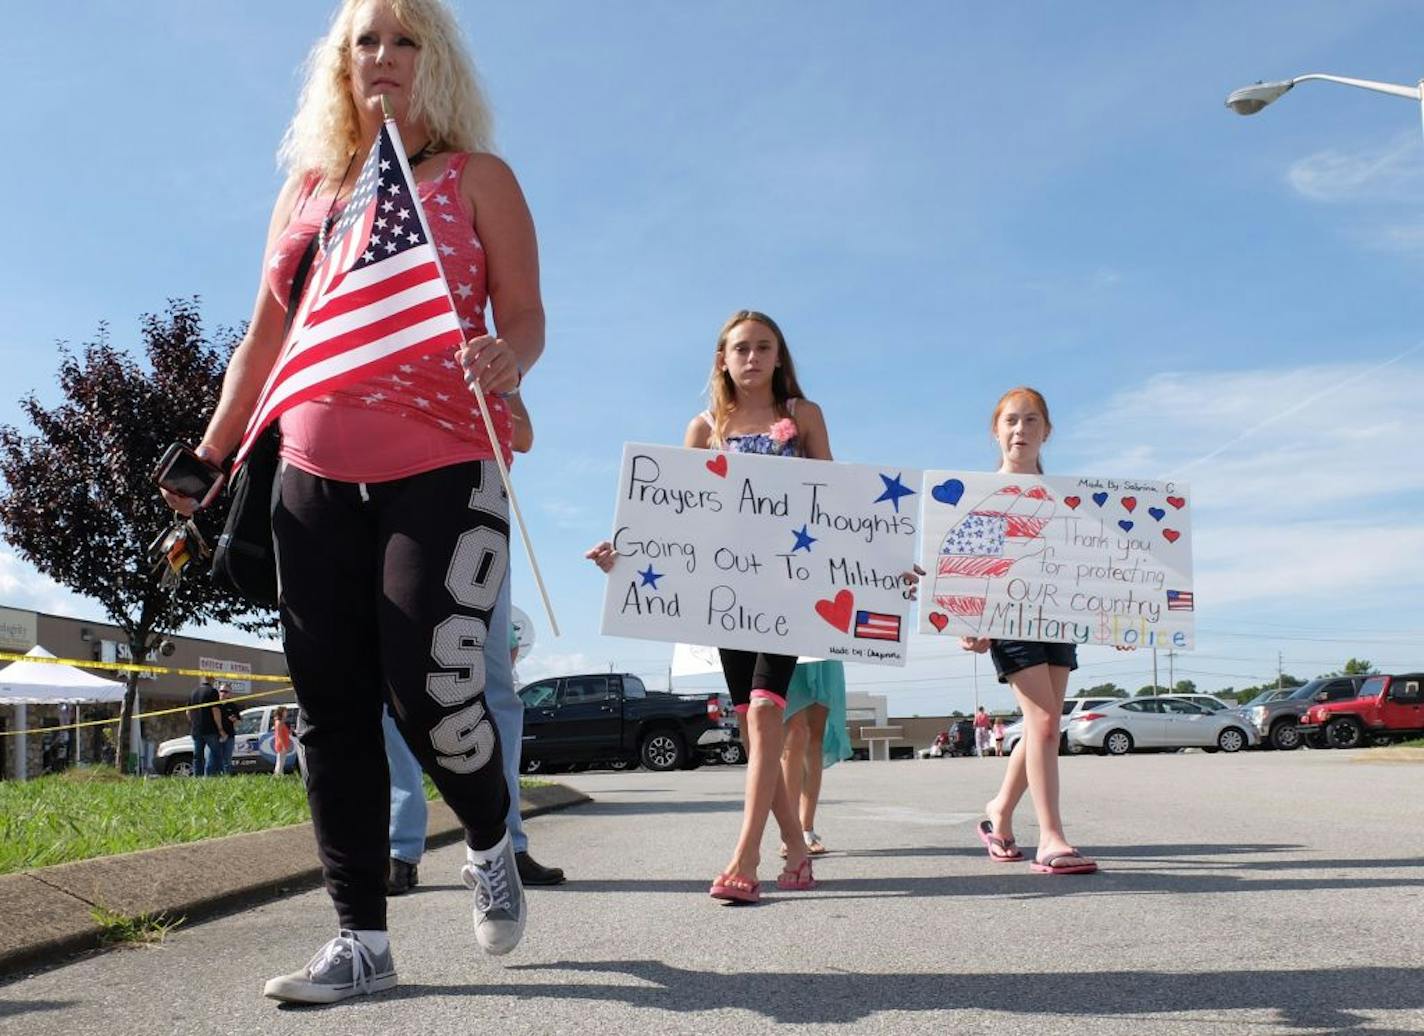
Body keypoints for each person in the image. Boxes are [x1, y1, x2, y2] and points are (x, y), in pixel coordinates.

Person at [161, 0, 545, 1003]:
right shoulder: (307, 195)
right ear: (341, 64)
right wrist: (206, 456)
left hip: (445, 461)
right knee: (330, 708)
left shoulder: (476, 179)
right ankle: (361, 940)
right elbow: (263, 341)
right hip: (309, 472)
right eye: (363, 40)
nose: (382, 54)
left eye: (404, 38)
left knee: (432, 689)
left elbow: (527, 315)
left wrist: (509, 356)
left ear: (437, 62)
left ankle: (490, 830)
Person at [588, 310, 831, 904]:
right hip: (726, 597)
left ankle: (746, 856)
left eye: (763, 347)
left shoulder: (801, 418)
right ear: (722, 359)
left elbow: (837, 501)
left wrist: (882, 563)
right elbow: (674, 514)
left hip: (785, 587)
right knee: (754, 723)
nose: (752, 357)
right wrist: (624, 551)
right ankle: (796, 849)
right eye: (740, 348)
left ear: (779, 356)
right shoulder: (703, 429)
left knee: (768, 713)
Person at [961, 388, 1097, 875]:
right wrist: (969, 622)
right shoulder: (982, 492)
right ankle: (1052, 838)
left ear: (1048, 431)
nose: (1021, 430)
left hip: (1058, 617)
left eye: (1031, 421)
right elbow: (970, 563)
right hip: (1007, 619)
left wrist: (1128, 618)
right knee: (1041, 723)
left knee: (1047, 724)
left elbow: (1090, 567)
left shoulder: (1069, 498)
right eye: (1012, 421)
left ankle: (999, 810)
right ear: (996, 430)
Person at [780, 659, 852, 857]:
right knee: (793, 734)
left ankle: (806, 829)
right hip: (789, 645)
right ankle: (789, 832)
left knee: (814, 736)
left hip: (823, 650)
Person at [187, 680, 222, 777]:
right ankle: (213, 776)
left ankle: (197, 777)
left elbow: (188, 712)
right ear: (212, 679)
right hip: (210, 729)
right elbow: (215, 710)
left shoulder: (194, 692)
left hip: (197, 730)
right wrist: (220, 728)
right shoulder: (213, 692)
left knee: (198, 756)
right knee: (215, 754)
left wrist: (194, 723)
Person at [216, 684, 242, 774]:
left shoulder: (233, 706)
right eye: (221, 691)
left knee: (227, 759)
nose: (223, 693)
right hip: (215, 736)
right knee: (215, 759)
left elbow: (239, 723)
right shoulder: (215, 705)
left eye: (225, 691)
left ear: (229, 694)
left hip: (229, 736)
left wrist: (234, 720)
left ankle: (226, 778)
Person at [272, 706, 294, 776]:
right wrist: (284, 745)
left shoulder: (282, 722)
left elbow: (285, 732)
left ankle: (279, 774)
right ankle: (278, 775)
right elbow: (279, 735)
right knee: (280, 762)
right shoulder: (279, 722)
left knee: (282, 761)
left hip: (284, 743)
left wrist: (290, 730)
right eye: (285, 712)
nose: (286, 713)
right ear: (281, 712)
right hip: (281, 744)